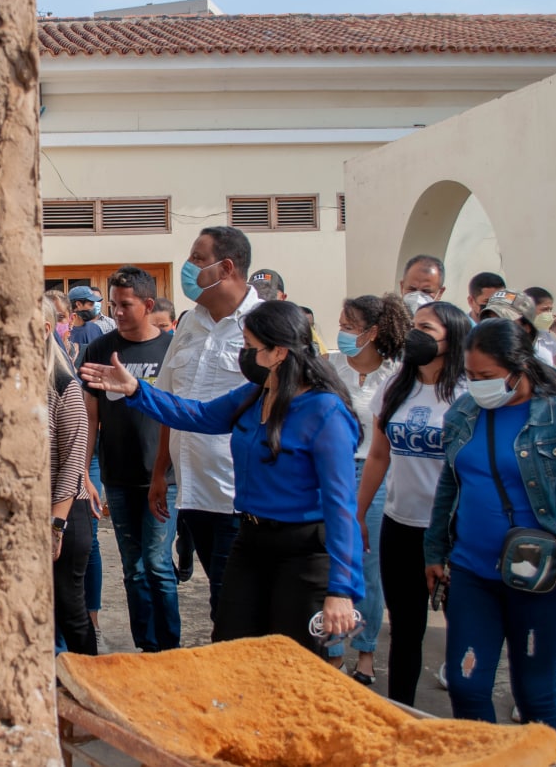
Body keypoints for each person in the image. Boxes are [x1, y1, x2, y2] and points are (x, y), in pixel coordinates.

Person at [81, 299, 365, 653]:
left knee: (297, 659)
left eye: (249, 347)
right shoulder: (255, 394)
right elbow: (197, 415)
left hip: (304, 552)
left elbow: (341, 507)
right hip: (249, 539)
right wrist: (137, 390)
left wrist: (342, 589)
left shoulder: (325, 411)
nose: (243, 355)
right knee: (232, 645)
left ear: (279, 352)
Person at [426, 319, 556, 736]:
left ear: (520, 369)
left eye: (488, 377)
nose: (478, 385)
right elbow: (449, 484)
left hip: (544, 582)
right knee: (465, 684)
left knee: (534, 693)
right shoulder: (464, 412)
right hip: (472, 574)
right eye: (471, 376)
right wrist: (435, 551)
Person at [148, 226, 260, 641]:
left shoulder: (263, 325)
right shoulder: (189, 325)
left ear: (226, 267)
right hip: (194, 492)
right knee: (221, 599)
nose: (188, 267)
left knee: (232, 607)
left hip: (238, 494)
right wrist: (162, 472)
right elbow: (168, 402)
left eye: (197, 258)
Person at [357, 300, 471, 706]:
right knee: (405, 630)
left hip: (455, 531)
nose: (415, 336)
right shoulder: (395, 386)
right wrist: (359, 512)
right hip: (400, 525)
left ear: (453, 338)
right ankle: (403, 715)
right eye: (414, 327)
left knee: (464, 632)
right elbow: (378, 455)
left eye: (428, 329)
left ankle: (465, 723)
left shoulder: (468, 391)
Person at [81, 266, 179, 652]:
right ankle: (147, 648)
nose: (117, 312)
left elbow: (177, 414)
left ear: (148, 304)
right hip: (118, 478)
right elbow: (90, 418)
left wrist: (162, 472)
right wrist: (87, 474)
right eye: (113, 305)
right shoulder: (99, 349)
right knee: (133, 569)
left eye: (126, 305)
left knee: (158, 565)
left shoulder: (170, 350)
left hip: (162, 478)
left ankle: (169, 649)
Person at [326, 293, 410, 683]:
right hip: (333, 472)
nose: (341, 332)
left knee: (368, 567)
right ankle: (334, 651)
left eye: (348, 326)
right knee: (332, 562)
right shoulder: (330, 368)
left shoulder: (396, 375)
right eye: (340, 324)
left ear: (372, 333)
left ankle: (366, 652)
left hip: (374, 475)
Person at [43, 298, 96, 655]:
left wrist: (55, 527)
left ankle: (93, 684)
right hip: (30, 515)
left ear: (45, 330)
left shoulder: (65, 386)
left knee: (70, 610)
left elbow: (73, 462)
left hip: (64, 515)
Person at [479, 289, 550, 364]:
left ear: (526, 327)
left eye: (504, 322)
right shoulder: (473, 366)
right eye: (489, 320)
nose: (494, 329)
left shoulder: (541, 372)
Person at [525, 287, 556, 368]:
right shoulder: (513, 334)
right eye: (544, 309)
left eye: (550, 310)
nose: (549, 314)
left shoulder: (544, 336)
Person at [67, 285, 104, 358]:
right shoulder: (64, 331)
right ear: (78, 305)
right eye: (90, 304)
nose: (93, 308)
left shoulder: (96, 329)